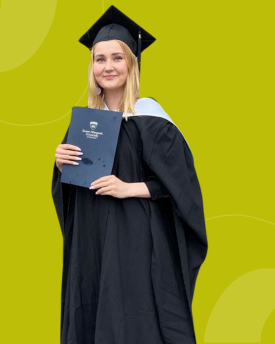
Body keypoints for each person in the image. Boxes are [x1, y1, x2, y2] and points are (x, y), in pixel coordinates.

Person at [51, 5, 207, 344]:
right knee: (92, 308)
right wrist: (61, 164)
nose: (108, 67)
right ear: (92, 67)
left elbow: (182, 188)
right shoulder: (84, 125)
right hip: (91, 243)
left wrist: (128, 188)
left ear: (132, 63)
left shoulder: (152, 119)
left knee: (135, 314)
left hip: (137, 238)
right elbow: (73, 193)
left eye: (117, 58)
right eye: (100, 59)